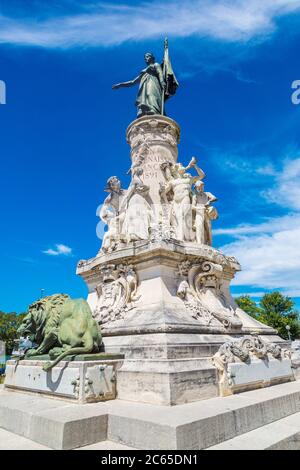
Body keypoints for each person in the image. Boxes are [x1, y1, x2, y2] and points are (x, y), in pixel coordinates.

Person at [112, 52, 166, 117]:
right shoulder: (143, 71)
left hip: (153, 82)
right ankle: (146, 110)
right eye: (145, 57)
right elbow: (133, 82)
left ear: (152, 58)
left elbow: (160, 73)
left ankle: (154, 110)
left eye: (148, 56)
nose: (146, 58)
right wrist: (120, 85)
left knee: (150, 94)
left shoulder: (156, 64)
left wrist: (162, 81)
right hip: (144, 86)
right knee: (144, 97)